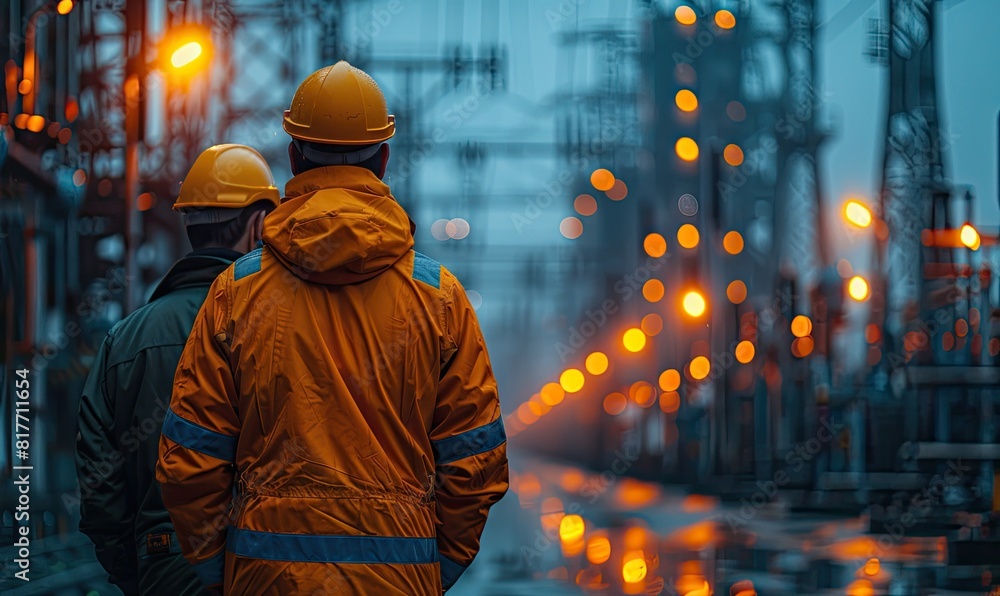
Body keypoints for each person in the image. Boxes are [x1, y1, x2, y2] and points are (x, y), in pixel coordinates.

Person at [157, 61, 509, 595]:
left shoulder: (234, 293)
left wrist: (220, 569)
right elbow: (475, 461)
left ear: (294, 157)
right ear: (384, 160)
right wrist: (438, 566)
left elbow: (190, 462)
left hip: (265, 580)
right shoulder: (440, 298)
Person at [76, 144, 281, 595]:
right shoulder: (282, 327)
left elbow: (99, 479)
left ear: (188, 222)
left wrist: (140, 568)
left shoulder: (125, 340)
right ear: (260, 224)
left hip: (163, 564)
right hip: (267, 563)